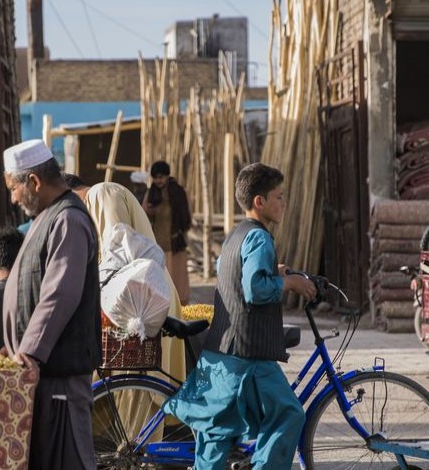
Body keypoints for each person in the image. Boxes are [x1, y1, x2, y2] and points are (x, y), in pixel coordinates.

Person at [163, 163, 316, 469]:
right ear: (259, 202)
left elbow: (232, 275)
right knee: (289, 414)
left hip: (220, 352)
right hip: (248, 356)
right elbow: (254, 289)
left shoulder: (235, 235)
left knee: (215, 431)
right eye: (279, 196)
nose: (284, 202)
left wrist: (275, 270)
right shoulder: (259, 238)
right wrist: (290, 282)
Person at [1, 139, 101, 470]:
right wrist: (10, 347)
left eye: (14, 188)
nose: (14, 198)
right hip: (42, 374)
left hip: (59, 374)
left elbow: (60, 293)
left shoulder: (68, 219)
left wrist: (29, 351)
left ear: (33, 181)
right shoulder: (47, 217)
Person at [63, 173, 186, 435]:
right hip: (137, 299)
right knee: (131, 381)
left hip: (139, 301)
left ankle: (140, 455)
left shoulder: (101, 193)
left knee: (137, 383)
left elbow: (115, 257)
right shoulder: (95, 201)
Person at [142, 160, 192, 305]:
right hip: (158, 245)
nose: (158, 180)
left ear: (167, 176)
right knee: (160, 284)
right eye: (156, 177)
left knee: (179, 284)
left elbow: (187, 215)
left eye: (161, 177)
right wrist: (151, 212)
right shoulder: (150, 193)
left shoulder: (179, 192)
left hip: (175, 244)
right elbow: (142, 214)